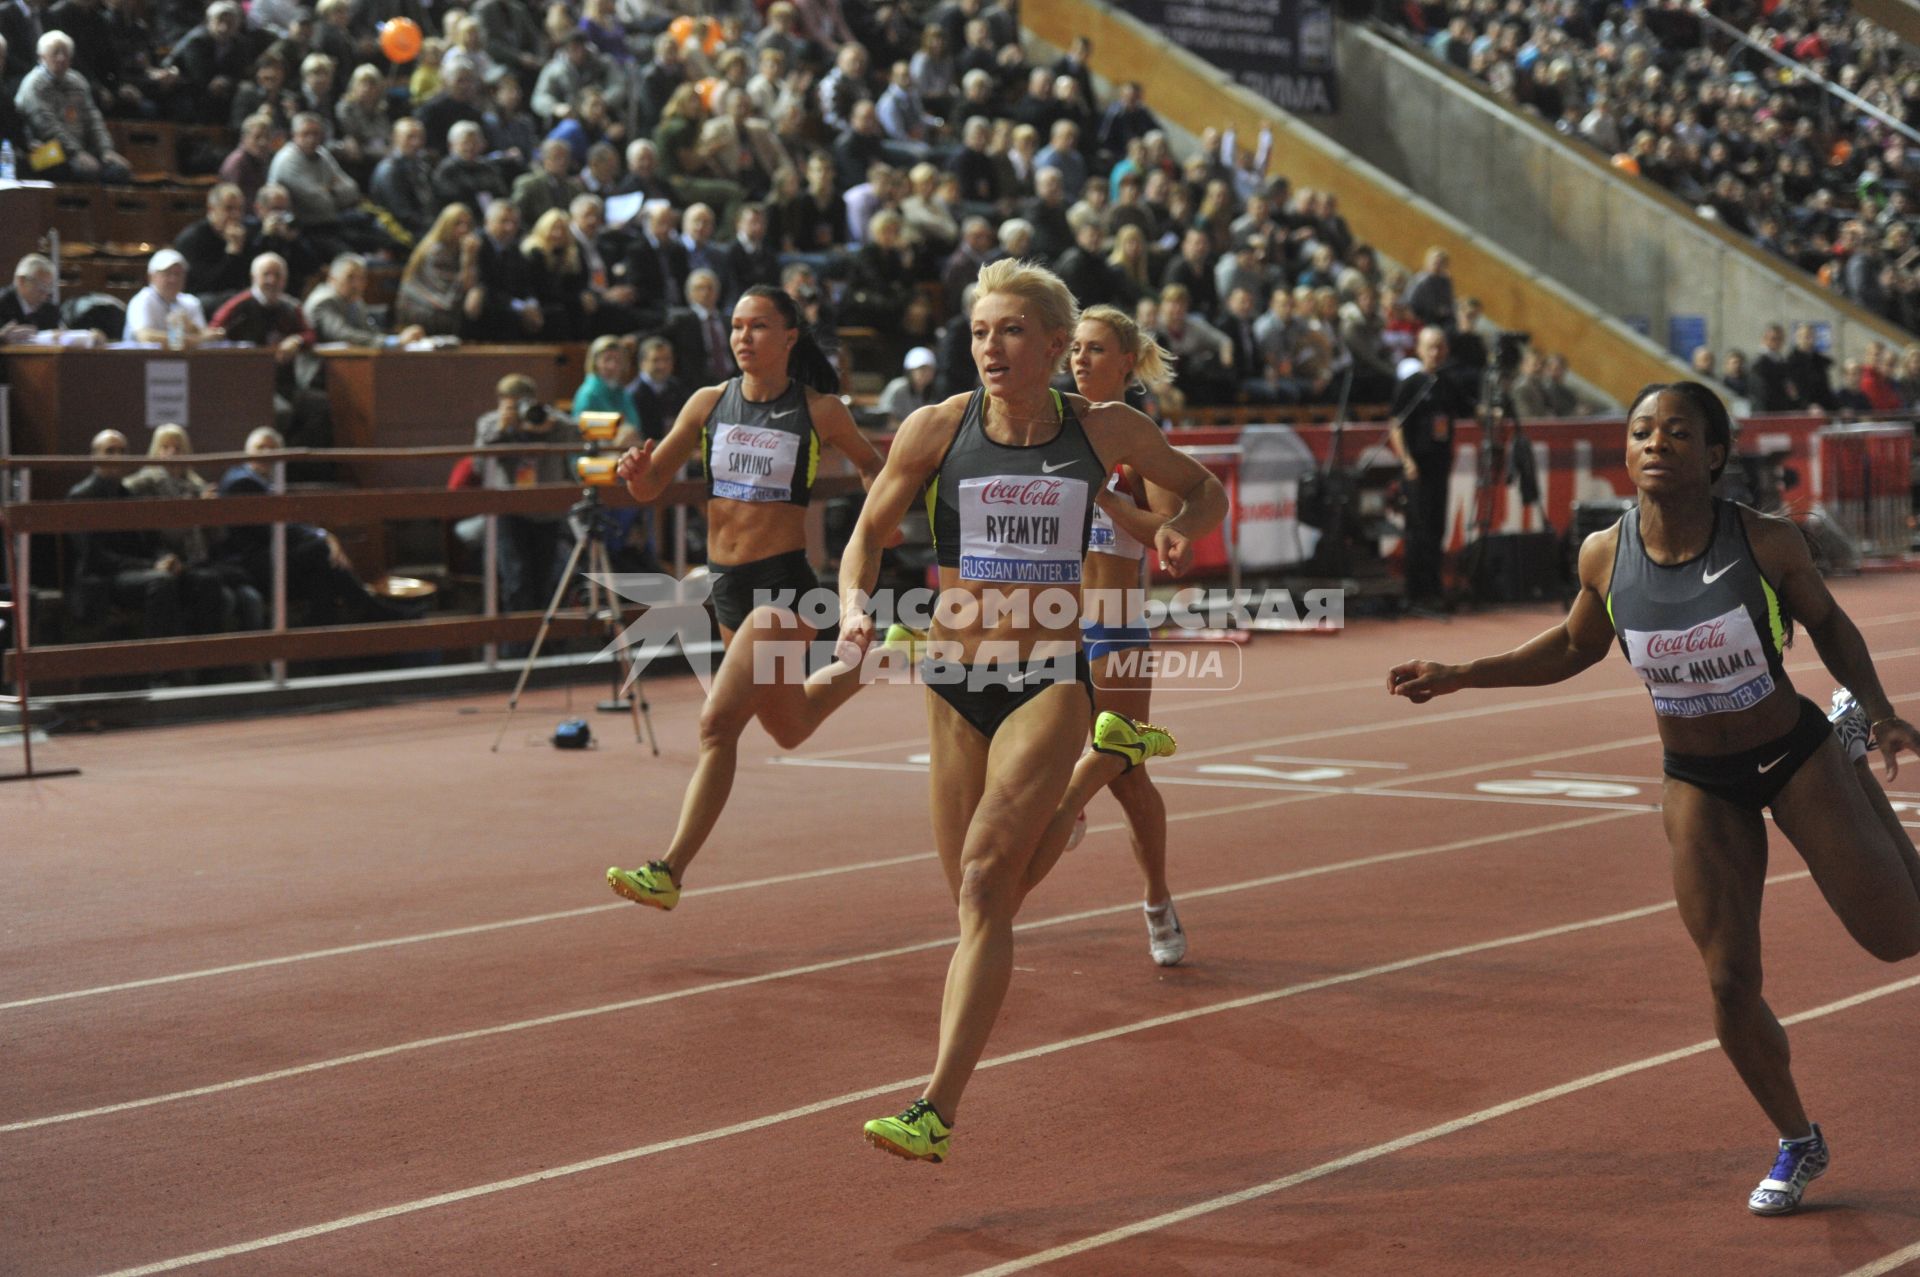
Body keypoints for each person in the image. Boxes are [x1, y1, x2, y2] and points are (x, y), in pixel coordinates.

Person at [1388, 380, 1920, 1216]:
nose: (1655, 444)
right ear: (1625, 450)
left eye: (1678, 432)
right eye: (1641, 432)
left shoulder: (1766, 540)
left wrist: (1882, 711)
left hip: (1791, 752)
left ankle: (1850, 746)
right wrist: (1462, 673)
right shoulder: (1605, 552)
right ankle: (1796, 1137)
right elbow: (1574, 643)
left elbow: (1829, 624)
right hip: (1699, 779)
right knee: (1728, 981)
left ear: (1714, 454)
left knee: (1899, 937)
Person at [833, 259, 1227, 1162]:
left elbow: (1206, 489)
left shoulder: (1106, 428)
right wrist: (856, 602)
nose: (990, 346)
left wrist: (1177, 528)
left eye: (1010, 330)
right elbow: (866, 533)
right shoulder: (937, 428)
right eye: (979, 330)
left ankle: (934, 1107)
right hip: (951, 680)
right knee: (980, 903)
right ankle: (1067, 804)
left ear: (1053, 344)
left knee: (982, 882)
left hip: (1048, 679)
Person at [603, 287, 894, 909]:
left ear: (789, 337)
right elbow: (653, 485)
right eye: (736, 327)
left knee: (717, 725)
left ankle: (668, 870)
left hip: (783, 588)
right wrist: (635, 473)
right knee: (790, 727)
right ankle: (886, 656)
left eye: (758, 326)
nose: (743, 338)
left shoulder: (819, 410)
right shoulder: (708, 403)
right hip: (727, 589)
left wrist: (880, 521)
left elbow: (876, 468)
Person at [1021, 304, 1193, 964]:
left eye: (1095, 349)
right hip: (1054, 624)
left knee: (1126, 765)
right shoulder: (1051, 426)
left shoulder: (1137, 439)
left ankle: (1154, 898)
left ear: (1126, 361)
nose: (1080, 360)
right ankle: (1068, 798)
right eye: (1076, 350)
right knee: (1066, 752)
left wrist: (1106, 498)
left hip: (1115, 623)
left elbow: (1169, 531)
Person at [124, 423, 264, 632]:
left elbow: (218, 538)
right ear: (155, 451)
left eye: (178, 448)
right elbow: (162, 535)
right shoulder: (145, 485)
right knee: (222, 597)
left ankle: (249, 659)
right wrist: (195, 510)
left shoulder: (197, 484)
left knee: (250, 597)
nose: (172, 452)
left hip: (202, 562)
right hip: (168, 561)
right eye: (165, 447)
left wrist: (211, 515)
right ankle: (202, 658)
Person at [473, 374, 581, 612]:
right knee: (517, 580)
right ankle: (518, 646)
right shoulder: (491, 423)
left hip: (548, 513)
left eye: (524, 402)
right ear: (501, 401)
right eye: (513, 403)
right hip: (511, 514)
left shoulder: (549, 420)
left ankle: (544, 643)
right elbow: (479, 466)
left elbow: (579, 433)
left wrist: (550, 425)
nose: (521, 410)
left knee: (547, 581)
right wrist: (504, 430)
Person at [1385, 325, 1473, 608]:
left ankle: (1434, 588)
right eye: (1430, 347)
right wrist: (1407, 459)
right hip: (1417, 467)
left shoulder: (1448, 383)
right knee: (1418, 528)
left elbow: (1467, 409)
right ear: (1420, 350)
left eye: (1440, 347)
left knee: (1437, 528)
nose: (1436, 352)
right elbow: (1395, 423)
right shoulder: (1411, 384)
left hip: (1440, 466)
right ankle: (1415, 591)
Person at [15, 29, 129, 181]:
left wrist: (106, 150)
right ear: (42, 57)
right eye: (55, 53)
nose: (61, 58)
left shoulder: (78, 81)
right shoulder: (33, 85)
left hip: (80, 148)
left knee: (118, 171)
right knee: (79, 172)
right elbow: (47, 128)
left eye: (65, 53)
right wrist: (75, 153)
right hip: (43, 151)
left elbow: (93, 119)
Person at [304, 252, 426, 346]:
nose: (357, 285)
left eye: (361, 278)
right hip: (322, 371)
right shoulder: (324, 301)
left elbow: (369, 333)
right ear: (332, 279)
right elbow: (342, 334)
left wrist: (401, 337)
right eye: (350, 278)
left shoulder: (355, 301)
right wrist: (393, 341)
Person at [394, 202, 477, 336]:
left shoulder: (462, 250)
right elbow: (450, 297)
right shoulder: (436, 251)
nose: (464, 229)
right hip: (422, 307)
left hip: (442, 308)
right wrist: (468, 261)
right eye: (458, 224)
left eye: (468, 225)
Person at [124, 249, 223, 347]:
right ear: (151, 277)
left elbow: (205, 336)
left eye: (178, 273)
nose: (173, 279)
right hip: (142, 360)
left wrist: (191, 327)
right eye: (167, 273)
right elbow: (145, 337)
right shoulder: (141, 301)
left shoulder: (191, 302)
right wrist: (193, 340)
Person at [1, 253, 60, 342]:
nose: (44, 296)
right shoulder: (2, 303)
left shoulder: (49, 309)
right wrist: (2, 337)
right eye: (41, 288)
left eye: (48, 289)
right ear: (21, 281)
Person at [878, 345, 937, 427]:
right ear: (910, 371)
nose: (926, 373)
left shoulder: (933, 392)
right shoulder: (897, 388)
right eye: (921, 369)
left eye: (929, 369)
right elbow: (887, 420)